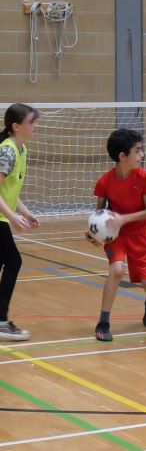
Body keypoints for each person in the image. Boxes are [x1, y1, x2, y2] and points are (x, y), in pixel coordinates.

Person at [89, 129, 146, 342]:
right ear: (122, 156)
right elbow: (98, 213)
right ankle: (103, 321)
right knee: (117, 271)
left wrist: (124, 219)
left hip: (140, 233)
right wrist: (93, 232)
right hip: (116, 234)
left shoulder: (144, 177)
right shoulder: (105, 181)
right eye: (137, 151)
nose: (142, 155)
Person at [0, 104, 40, 342]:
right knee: (14, 261)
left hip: (3, 214)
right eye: (31, 122)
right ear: (16, 126)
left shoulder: (20, 149)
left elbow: (9, 191)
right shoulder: (8, 151)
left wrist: (25, 211)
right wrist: (13, 216)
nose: (35, 127)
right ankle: (2, 321)